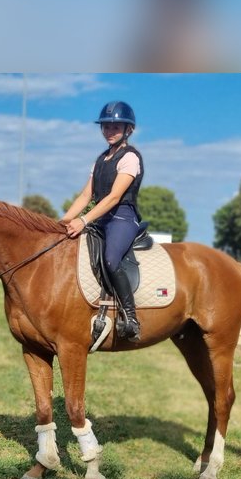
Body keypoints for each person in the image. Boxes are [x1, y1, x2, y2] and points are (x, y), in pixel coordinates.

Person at [62, 100, 145, 341]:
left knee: (110, 259)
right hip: (100, 218)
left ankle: (130, 317)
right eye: (106, 127)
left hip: (122, 217)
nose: (110, 131)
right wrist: (64, 220)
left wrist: (83, 220)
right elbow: (86, 195)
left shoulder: (131, 158)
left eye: (115, 127)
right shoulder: (100, 159)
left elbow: (114, 197)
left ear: (128, 129)